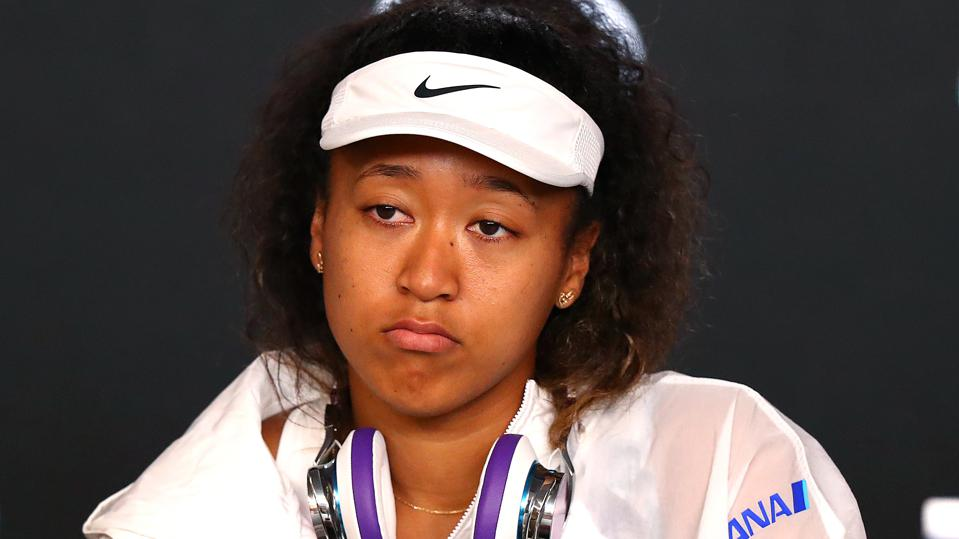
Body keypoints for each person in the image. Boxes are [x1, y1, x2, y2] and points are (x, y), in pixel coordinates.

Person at [82, 1, 867, 537]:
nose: (428, 276)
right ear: (319, 229)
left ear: (574, 262)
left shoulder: (717, 463)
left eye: (490, 226)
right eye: (386, 211)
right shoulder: (184, 511)